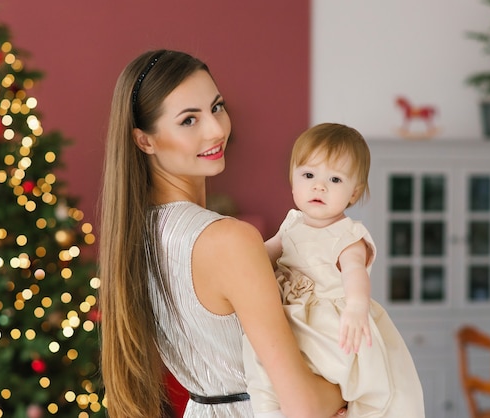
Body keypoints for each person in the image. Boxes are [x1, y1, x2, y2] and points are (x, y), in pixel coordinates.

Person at [98, 49, 348, 418]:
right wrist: (350, 388)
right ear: (144, 141)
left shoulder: (139, 237)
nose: (216, 129)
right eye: (188, 120)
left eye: (216, 107)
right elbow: (304, 405)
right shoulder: (228, 240)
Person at [243, 123, 425, 417]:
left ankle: (339, 406)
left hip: (328, 325)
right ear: (293, 181)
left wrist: (356, 305)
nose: (319, 186)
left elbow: (355, 272)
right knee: (263, 363)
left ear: (354, 193)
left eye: (335, 179)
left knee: (337, 374)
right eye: (309, 175)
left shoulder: (347, 235)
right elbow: (262, 255)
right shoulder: (291, 224)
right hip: (288, 317)